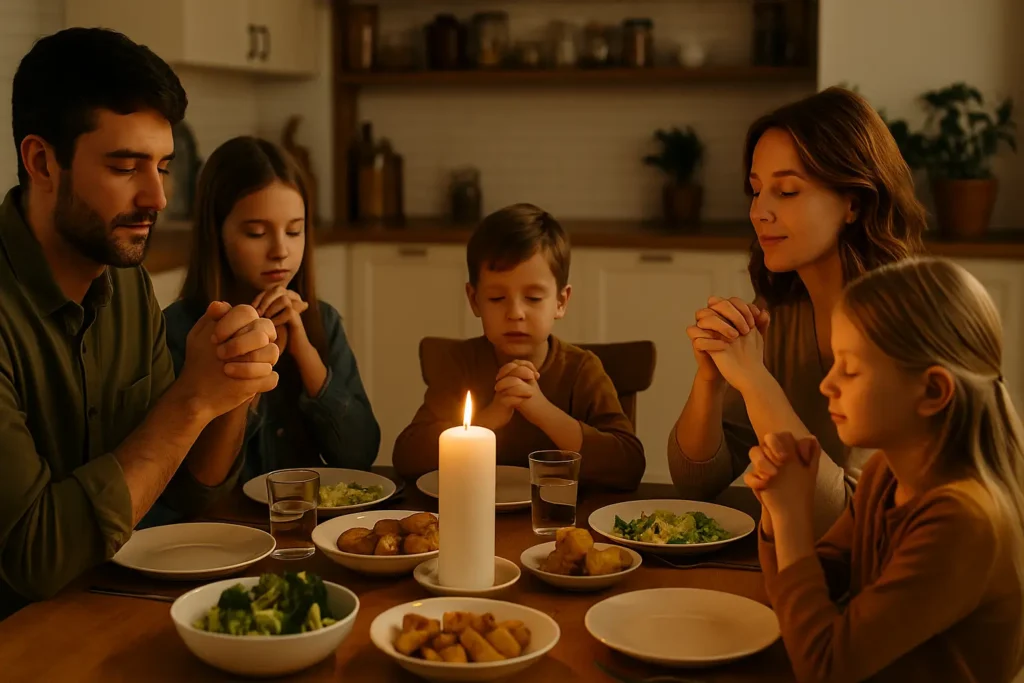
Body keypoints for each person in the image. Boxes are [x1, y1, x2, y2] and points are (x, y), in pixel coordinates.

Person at [0, 28, 281, 615]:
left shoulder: (125, 282)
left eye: (163, 166)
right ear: (41, 160)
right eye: (126, 167)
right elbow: (36, 558)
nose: (157, 197)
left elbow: (182, 494)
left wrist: (231, 385)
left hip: (114, 606)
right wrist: (189, 403)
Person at [748, 257, 1024, 682]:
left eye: (851, 369)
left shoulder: (962, 521)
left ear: (932, 391)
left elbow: (826, 667)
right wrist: (774, 506)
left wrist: (790, 521)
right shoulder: (886, 474)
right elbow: (812, 589)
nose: (828, 384)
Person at [667, 87, 927, 536]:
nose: (758, 212)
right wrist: (711, 379)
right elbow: (698, 482)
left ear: (854, 202)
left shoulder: (905, 328)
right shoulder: (781, 312)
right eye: (755, 190)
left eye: (786, 191)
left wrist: (754, 380)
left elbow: (847, 522)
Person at [159, 136, 379, 490]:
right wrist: (250, 368)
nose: (281, 250)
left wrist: (304, 352)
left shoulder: (322, 321)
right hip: (225, 529)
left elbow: (360, 456)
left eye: (295, 230)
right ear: (218, 234)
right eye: (257, 233)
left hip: (306, 527)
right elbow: (195, 486)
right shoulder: (178, 331)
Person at [392, 203, 645, 490]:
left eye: (534, 298)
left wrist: (541, 410)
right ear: (474, 300)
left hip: (560, 522)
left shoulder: (581, 370)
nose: (515, 313)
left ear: (561, 302)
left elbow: (629, 466)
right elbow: (407, 457)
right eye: (497, 298)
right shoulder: (461, 363)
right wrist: (486, 421)